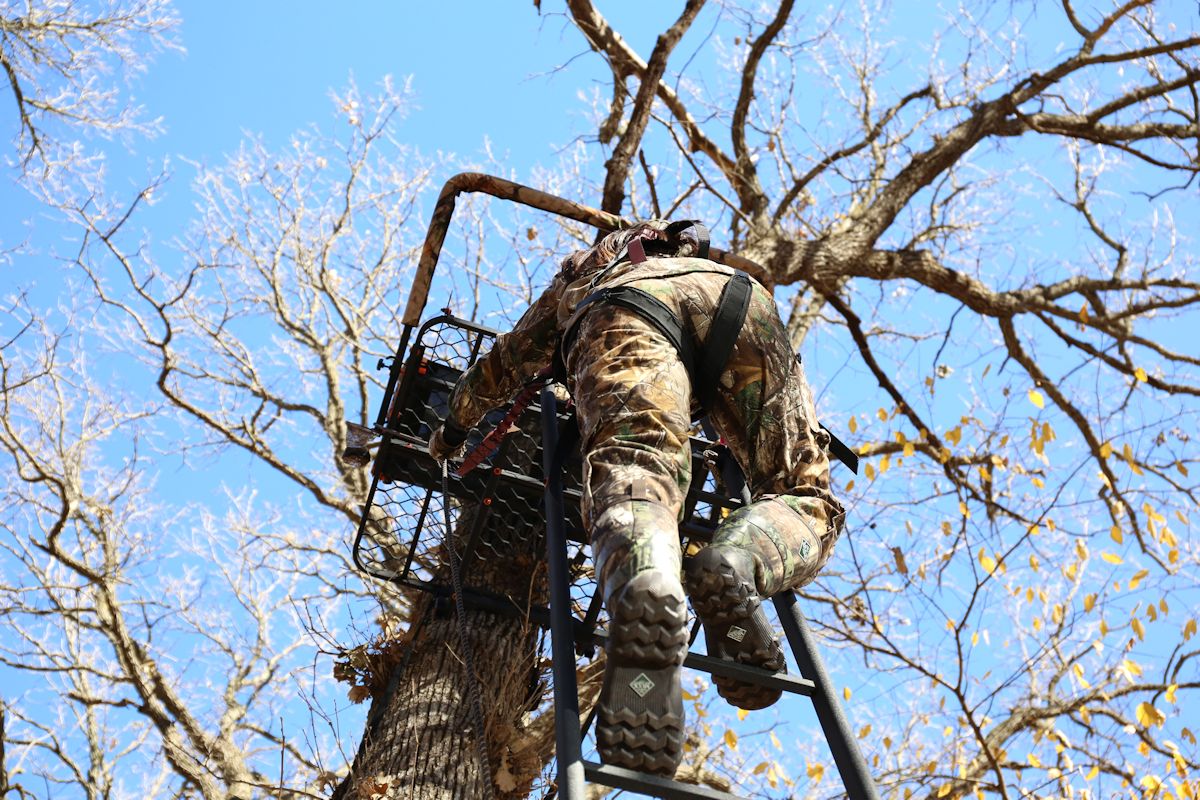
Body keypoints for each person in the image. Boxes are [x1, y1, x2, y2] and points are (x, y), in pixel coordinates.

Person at [428, 220, 844, 777]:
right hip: (741, 303)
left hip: (629, 314)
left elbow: (502, 365)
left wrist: (450, 433)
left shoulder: (583, 276)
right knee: (803, 492)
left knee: (639, 461)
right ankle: (739, 564)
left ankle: (646, 579)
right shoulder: (690, 255)